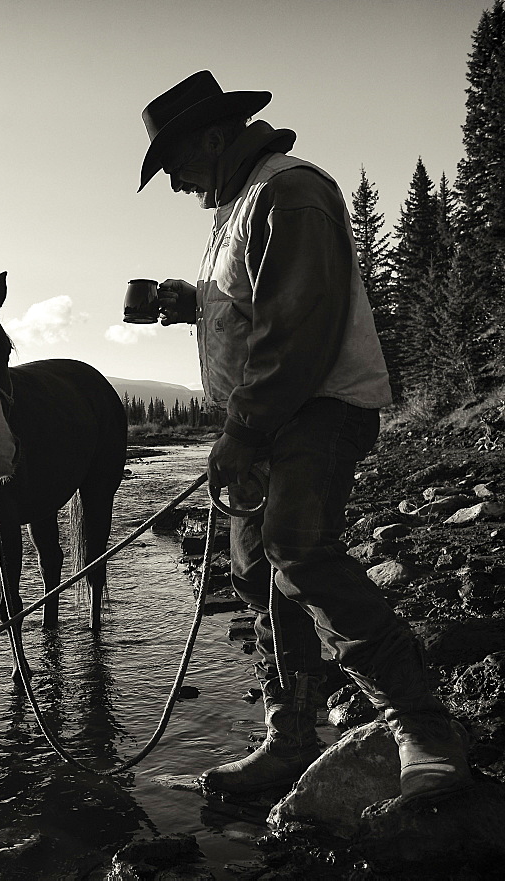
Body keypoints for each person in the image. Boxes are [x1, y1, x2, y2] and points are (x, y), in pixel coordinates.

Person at [137, 70, 472, 803]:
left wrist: (243, 430)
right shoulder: (242, 205)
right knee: (259, 573)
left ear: (217, 137)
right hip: (271, 417)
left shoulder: (288, 192)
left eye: (175, 164)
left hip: (314, 410)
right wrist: (191, 304)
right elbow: (258, 304)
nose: (174, 183)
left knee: (298, 551)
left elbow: (299, 328)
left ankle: (422, 721)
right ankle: (291, 736)